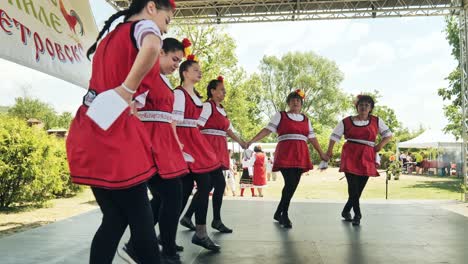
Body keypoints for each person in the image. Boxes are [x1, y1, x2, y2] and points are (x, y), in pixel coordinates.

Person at [66, 1, 175, 263]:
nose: (164, 27)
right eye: (167, 20)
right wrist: (127, 90)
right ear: (151, 7)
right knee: (142, 222)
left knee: (115, 218)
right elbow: (151, 45)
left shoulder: (110, 37)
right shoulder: (144, 27)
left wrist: (128, 97)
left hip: (88, 125)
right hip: (113, 132)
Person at [119, 38, 189, 264]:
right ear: (160, 53)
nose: (176, 65)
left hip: (164, 145)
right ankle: (164, 251)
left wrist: (176, 141)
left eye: (179, 61)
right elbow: (131, 107)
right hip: (150, 144)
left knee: (166, 195)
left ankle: (139, 245)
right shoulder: (145, 75)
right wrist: (140, 140)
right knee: (172, 193)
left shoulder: (165, 82)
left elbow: (167, 118)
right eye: (174, 59)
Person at [247, 89, 327, 228]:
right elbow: (267, 130)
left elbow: (312, 138)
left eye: (298, 100)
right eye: (292, 100)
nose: (295, 102)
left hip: (301, 153)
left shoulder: (306, 119)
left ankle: (279, 212)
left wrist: (321, 153)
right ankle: (284, 214)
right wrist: (251, 141)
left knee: (293, 185)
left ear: (301, 104)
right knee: (290, 183)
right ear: (288, 103)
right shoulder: (280, 115)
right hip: (286, 152)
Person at [182, 76, 247, 233]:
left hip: (219, 148)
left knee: (208, 185)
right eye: (221, 90)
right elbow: (197, 126)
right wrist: (198, 147)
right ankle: (215, 220)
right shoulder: (207, 106)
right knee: (218, 184)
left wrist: (241, 142)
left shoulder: (222, 110)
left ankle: (188, 216)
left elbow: (228, 130)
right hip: (208, 148)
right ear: (212, 91)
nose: (224, 92)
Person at [173, 56, 221, 251]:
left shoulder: (195, 96)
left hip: (195, 139)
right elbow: (173, 123)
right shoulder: (178, 94)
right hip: (185, 141)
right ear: (184, 73)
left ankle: (195, 232)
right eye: (195, 70)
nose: (199, 72)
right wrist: (177, 146)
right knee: (197, 186)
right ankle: (198, 233)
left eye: (200, 70)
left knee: (189, 189)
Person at [326, 95, 392, 226]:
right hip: (350, 153)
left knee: (359, 187)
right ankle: (357, 214)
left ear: (371, 108)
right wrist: (329, 151)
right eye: (361, 105)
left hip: (367, 154)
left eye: (367, 105)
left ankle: (346, 210)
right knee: (352, 186)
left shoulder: (376, 121)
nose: (364, 107)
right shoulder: (346, 121)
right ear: (357, 107)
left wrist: (379, 146)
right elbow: (334, 136)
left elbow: (388, 135)